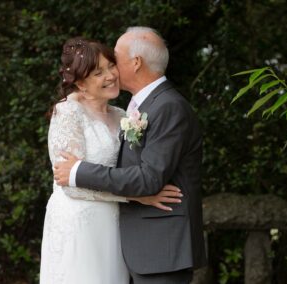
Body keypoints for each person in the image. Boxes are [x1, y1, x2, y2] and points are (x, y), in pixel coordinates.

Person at [54, 27, 207, 283]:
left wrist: (78, 171)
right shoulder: (139, 106)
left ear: (135, 63)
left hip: (161, 247)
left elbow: (149, 179)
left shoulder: (167, 106)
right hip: (129, 241)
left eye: (115, 58)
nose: (112, 69)